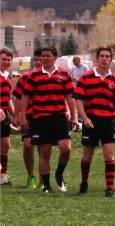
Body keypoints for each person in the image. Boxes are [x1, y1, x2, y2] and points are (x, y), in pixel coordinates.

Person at [20, 46, 78, 193]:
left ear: (55, 58)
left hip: (59, 117)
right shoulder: (34, 76)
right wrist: (23, 116)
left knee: (66, 148)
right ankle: (46, 185)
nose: (44, 59)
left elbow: (70, 97)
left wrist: (75, 116)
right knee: (45, 152)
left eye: (47, 56)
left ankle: (59, 174)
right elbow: (25, 96)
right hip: (40, 118)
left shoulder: (64, 74)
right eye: (43, 56)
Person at [72, 46, 115, 197]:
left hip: (109, 123)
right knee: (87, 158)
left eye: (107, 56)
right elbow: (78, 100)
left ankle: (109, 189)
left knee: (109, 156)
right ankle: (84, 183)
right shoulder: (86, 77)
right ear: (97, 59)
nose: (104, 59)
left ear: (111, 59)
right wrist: (85, 118)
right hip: (91, 122)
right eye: (102, 56)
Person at [12, 48, 44, 189]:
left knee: (43, 148)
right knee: (28, 145)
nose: (38, 62)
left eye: (40, 59)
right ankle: (31, 176)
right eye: (35, 59)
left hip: (44, 116)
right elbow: (18, 97)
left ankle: (44, 180)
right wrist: (16, 115)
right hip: (29, 116)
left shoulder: (50, 77)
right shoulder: (26, 77)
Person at [0, 47, 14, 186]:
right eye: (3, 59)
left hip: (4, 117)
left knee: (5, 146)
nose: (6, 62)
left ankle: (3, 176)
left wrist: (16, 116)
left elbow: (8, 98)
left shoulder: (8, 77)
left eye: (9, 60)